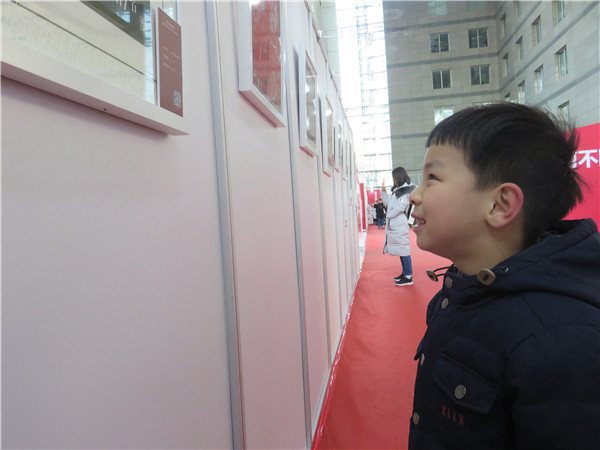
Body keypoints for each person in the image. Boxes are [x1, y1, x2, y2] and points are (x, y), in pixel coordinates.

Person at [407, 103, 600, 449]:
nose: (415, 195)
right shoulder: (459, 290)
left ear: (500, 205)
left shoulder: (559, 339)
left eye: (432, 178)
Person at [381, 167, 416, 286]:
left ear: (398, 177)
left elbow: (400, 207)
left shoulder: (404, 191)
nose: (393, 180)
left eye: (394, 177)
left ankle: (408, 276)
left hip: (399, 223)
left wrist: (389, 215)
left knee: (404, 250)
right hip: (396, 223)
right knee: (401, 250)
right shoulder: (398, 190)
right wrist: (383, 192)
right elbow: (388, 204)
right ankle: (405, 273)